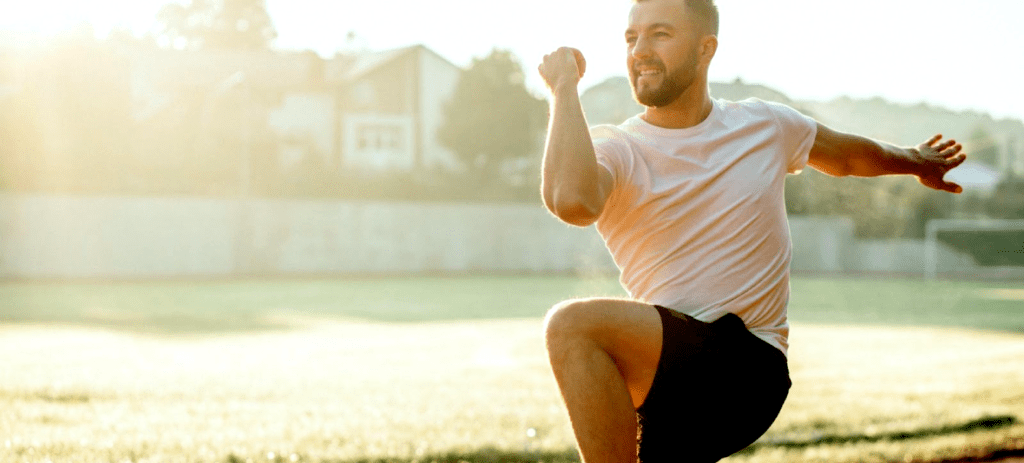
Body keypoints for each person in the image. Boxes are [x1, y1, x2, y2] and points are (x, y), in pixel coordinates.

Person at [536, 0, 968, 462]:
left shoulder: (763, 124)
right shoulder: (618, 149)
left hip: (748, 364)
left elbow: (845, 156)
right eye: (631, 37)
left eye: (660, 34)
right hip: (669, 376)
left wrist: (915, 160)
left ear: (706, 50)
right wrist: (564, 89)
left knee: (571, 327)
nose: (639, 50)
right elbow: (574, 201)